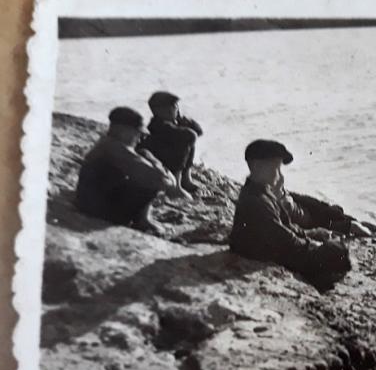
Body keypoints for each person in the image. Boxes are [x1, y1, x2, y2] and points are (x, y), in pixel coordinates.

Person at [229, 139, 351, 282]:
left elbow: (285, 225)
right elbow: (283, 240)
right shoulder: (256, 200)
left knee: (333, 247)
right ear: (257, 167)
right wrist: (312, 244)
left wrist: (311, 233)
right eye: (276, 169)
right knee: (337, 252)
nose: (280, 176)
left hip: (268, 248)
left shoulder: (263, 193)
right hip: (265, 252)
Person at [75, 106, 185, 234]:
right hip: (100, 211)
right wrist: (156, 164)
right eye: (138, 133)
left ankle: (142, 217)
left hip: (89, 203)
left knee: (144, 164)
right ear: (124, 131)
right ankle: (143, 220)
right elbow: (162, 180)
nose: (140, 138)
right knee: (151, 178)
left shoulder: (107, 144)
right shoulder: (116, 148)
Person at [140, 90, 203, 194]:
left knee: (189, 136)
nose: (175, 108)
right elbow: (190, 135)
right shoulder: (157, 125)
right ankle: (177, 183)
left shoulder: (174, 123)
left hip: (169, 158)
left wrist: (187, 122)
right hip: (161, 160)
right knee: (187, 137)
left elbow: (199, 132)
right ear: (158, 110)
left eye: (175, 106)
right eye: (171, 106)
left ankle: (186, 177)